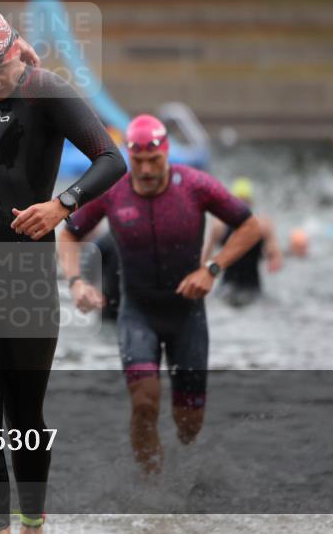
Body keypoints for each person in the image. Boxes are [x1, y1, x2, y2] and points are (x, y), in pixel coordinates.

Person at [0, 0, 125, 534]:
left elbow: (112, 158)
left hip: (25, 279)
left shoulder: (48, 90)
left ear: (15, 51)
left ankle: (33, 522)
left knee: (25, 422)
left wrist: (63, 204)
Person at [59, 114, 261, 475]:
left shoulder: (196, 186)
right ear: (128, 157)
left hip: (187, 316)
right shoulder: (112, 191)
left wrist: (211, 269)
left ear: (167, 154)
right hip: (137, 314)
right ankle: (151, 491)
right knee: (144, 403)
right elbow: (69, 234)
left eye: (154, 160)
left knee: (188, 425)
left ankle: (185, 477)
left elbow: (249, 225)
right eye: (138, 161)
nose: (147, 169)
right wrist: (76, 280)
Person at [201, 177, 283, 306]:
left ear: (251, 203)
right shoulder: (219, 227)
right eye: (238, 202)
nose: (241, 206)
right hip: (227, 288)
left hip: (252, 288)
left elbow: (277, 262)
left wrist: (271, 254)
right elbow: (204, 263)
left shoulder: (263, 227)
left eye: (245, 202)